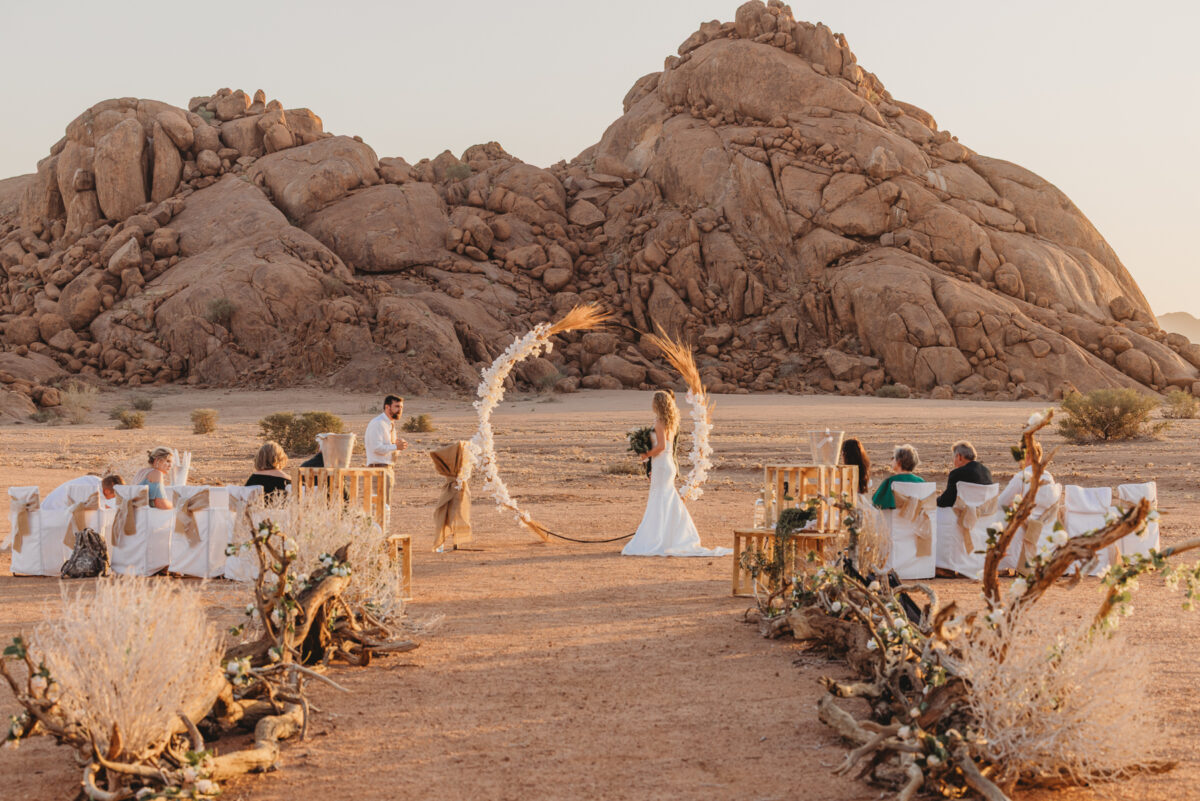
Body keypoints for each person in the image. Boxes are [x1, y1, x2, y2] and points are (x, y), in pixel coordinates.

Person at [623, 391, 731, 557]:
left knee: (659, 499)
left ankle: (659, 538)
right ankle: (673, 535)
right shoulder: (672, 422)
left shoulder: (659, 422)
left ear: (657, 404)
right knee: (666, 498)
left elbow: (661, 447)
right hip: (668, 465)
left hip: (661, 463)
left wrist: (646, 454)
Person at [365, 394, 408, 505]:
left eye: (401, 407)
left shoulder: (389, 424)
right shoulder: (378, 423)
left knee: (385, 506)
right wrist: (395, 447)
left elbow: (386, 447)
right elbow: (376, 448)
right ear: (387, 407)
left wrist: (396, 446)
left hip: (387, 468)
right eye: (397, 406)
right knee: (380, 506)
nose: (400, 410)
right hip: (379, 468)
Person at [997, 440, 1055, 508]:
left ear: (1026, 456)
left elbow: (1001, 502)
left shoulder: (1021, 476)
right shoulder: (1048, 476)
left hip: (1027, 517)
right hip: (1047, 517)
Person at [937, 440, 994, 508]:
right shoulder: (986, 471)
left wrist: (937, 499)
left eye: (954, 457)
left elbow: (946, 502)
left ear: (959, 456)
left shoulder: (957, 473)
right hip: (984, 514)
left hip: (964, 515)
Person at [871, 444, 926, 510]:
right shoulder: (921, 482)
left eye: (893, 458)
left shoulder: (890, 482)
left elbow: (875, 503)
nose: (891, 461)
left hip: (893, 519)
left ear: (899, 461)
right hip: (916, 519)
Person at [42, 474, 124, 510]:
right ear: (107, 491)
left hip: (47, 506)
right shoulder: (93, 490)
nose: (114, 498)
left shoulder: (96, 481)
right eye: (114, 495)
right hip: (54, 511)